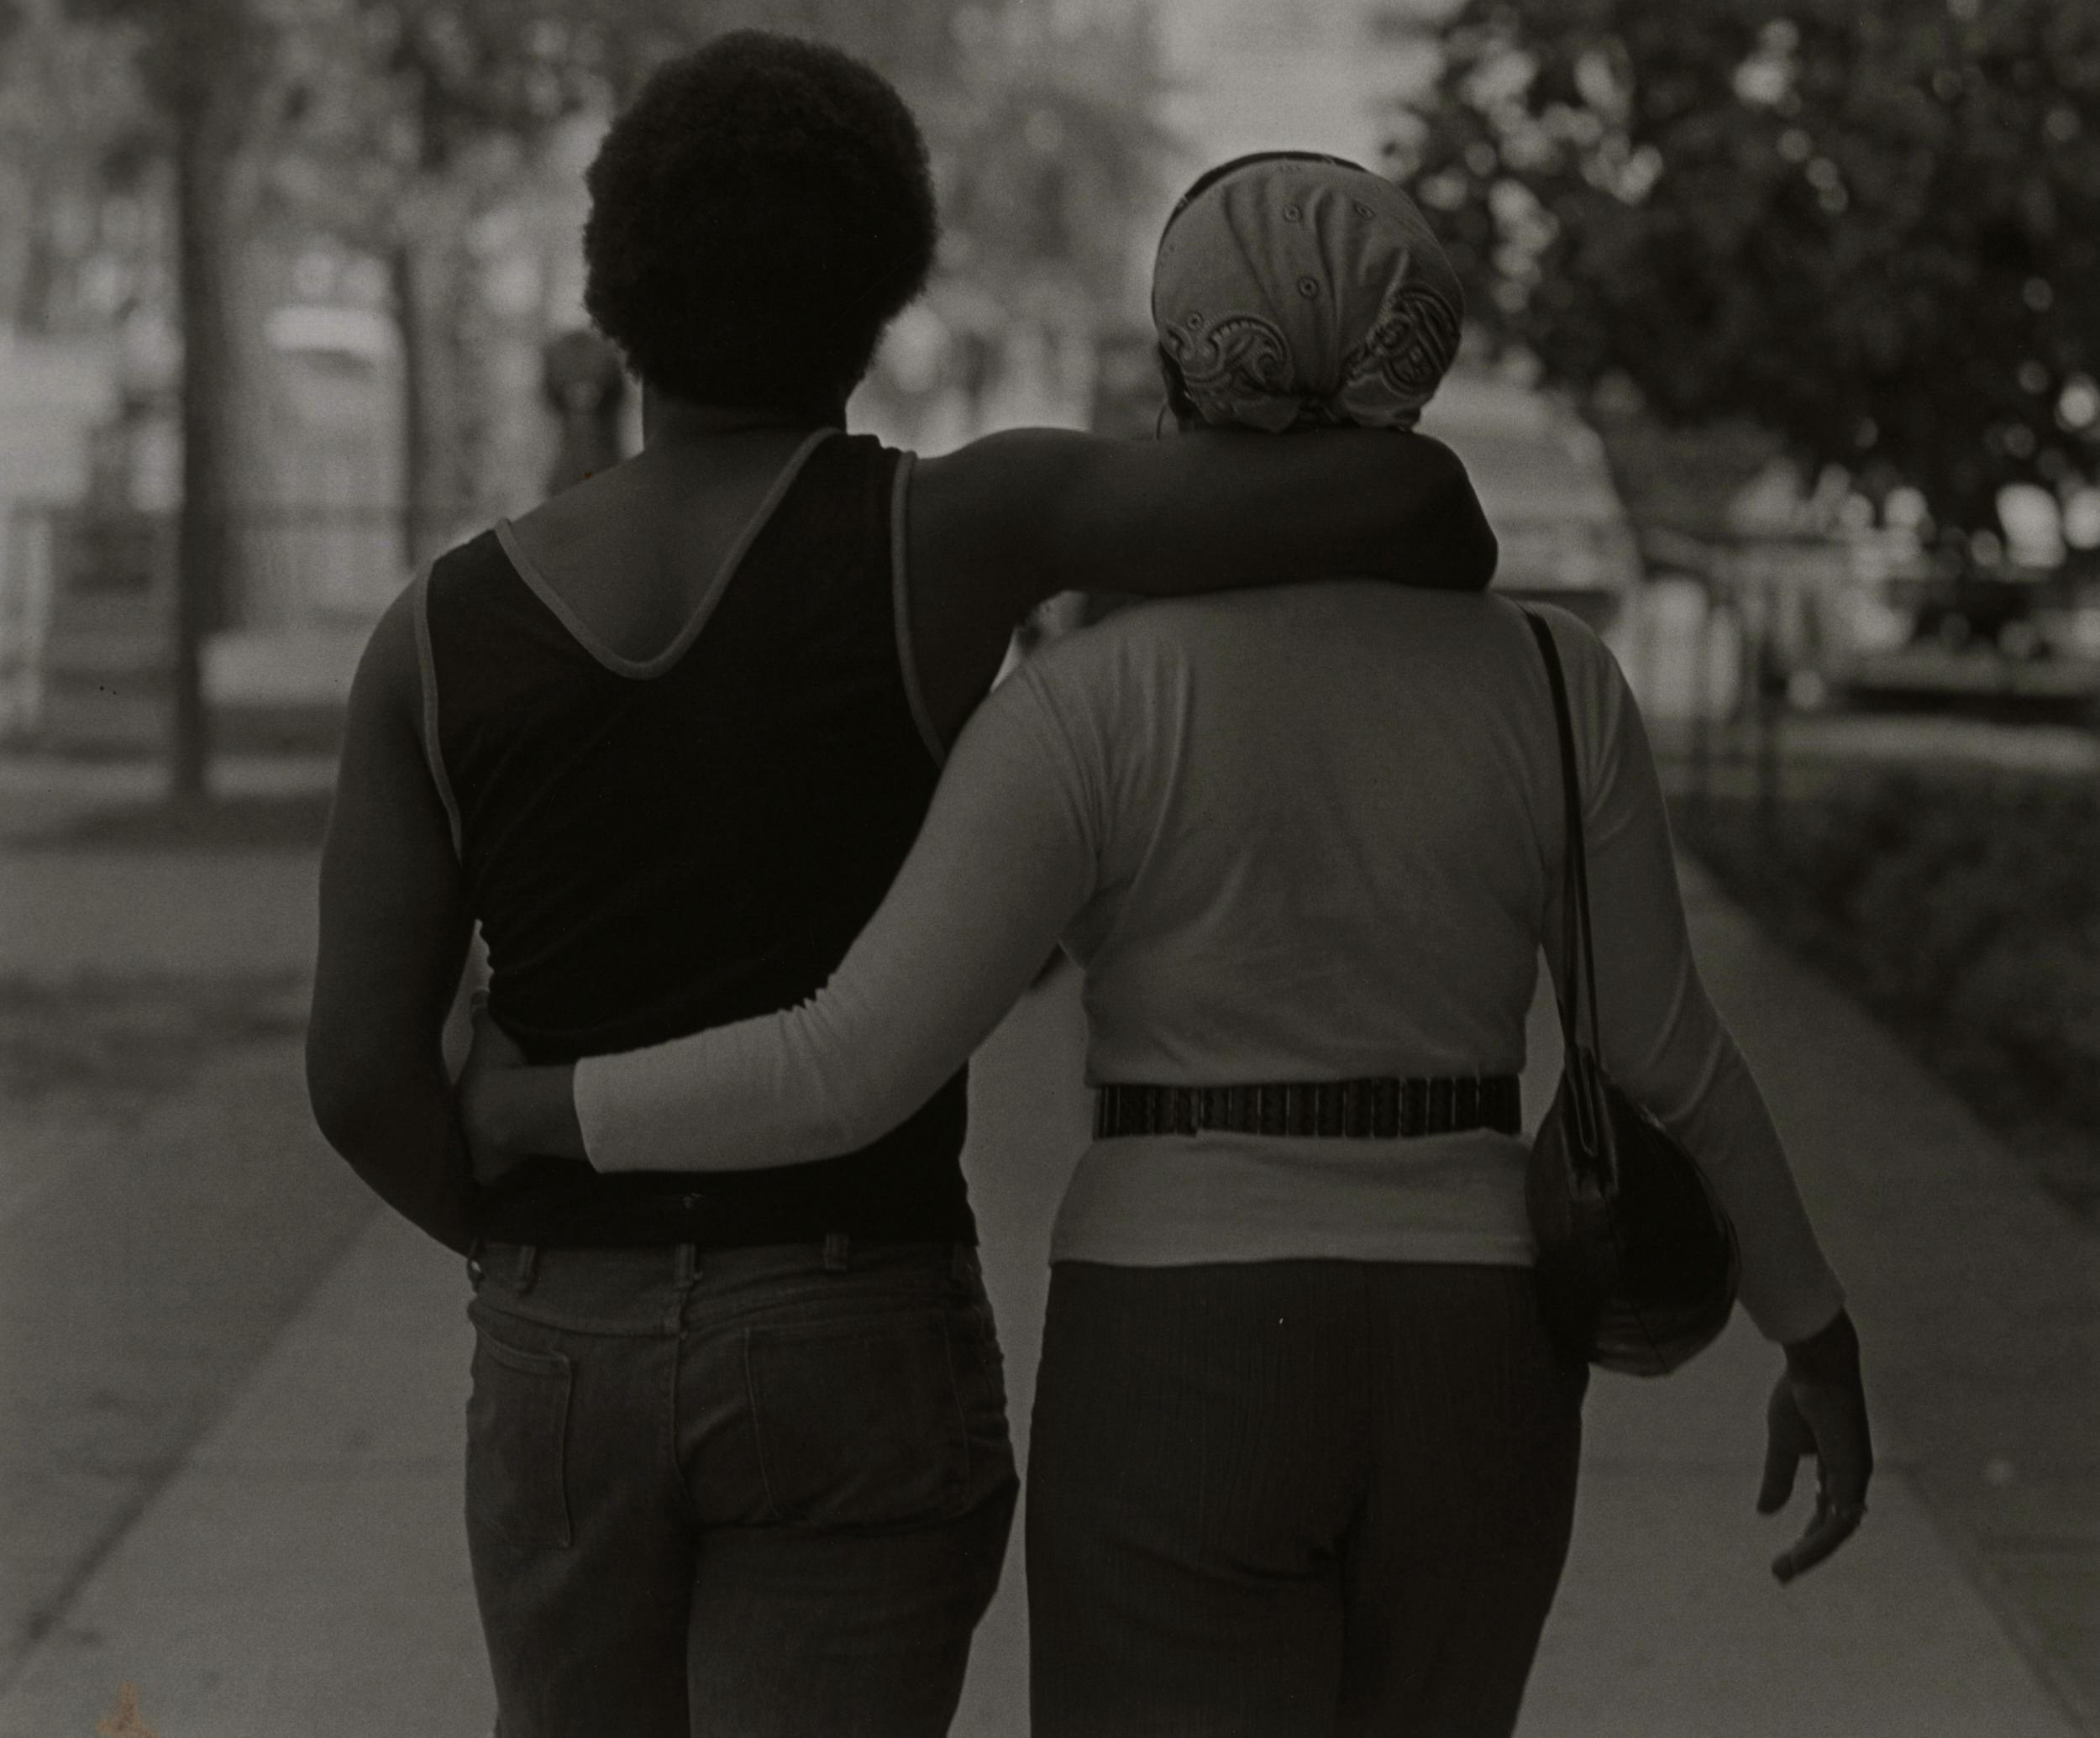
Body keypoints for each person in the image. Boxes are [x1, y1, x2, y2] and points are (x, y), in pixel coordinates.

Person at [459, 153, 1875, 1738]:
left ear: (1183, 362)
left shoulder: (1095, 701)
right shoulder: (1558, 680)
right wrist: (1813, 1325)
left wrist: (542, 1104)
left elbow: (848, 1065)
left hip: (1182, 1339)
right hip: (1481, 1344)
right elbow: (1667, 1054)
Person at [302, 36, 1498, 1738]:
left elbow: (357, 1076)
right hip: (853, 1316)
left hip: (564, 1338)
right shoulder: (954, 531)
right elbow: (1414, 498)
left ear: (610, 288)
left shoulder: (429, 639)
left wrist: (557, 1259)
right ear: (881, 292)